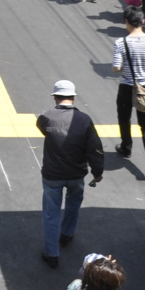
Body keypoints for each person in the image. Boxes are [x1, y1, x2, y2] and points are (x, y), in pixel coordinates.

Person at [36, 79, 104, 268]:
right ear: (73, 97)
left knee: (51, 214)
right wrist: (97, 172)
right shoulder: (84, 120)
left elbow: (43, 129)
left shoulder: (45, 117)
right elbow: (95, 148)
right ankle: (67, 234)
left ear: (56, 97)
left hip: (52, 175)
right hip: (76, 174)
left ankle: (52, 254)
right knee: (73, 204)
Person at [113, 8, 145, 176]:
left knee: (124, 118)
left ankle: (126, 147)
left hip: (127, 86)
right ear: (142, 21)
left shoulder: (121, 43)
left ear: (126, 21)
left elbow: (117, 67)